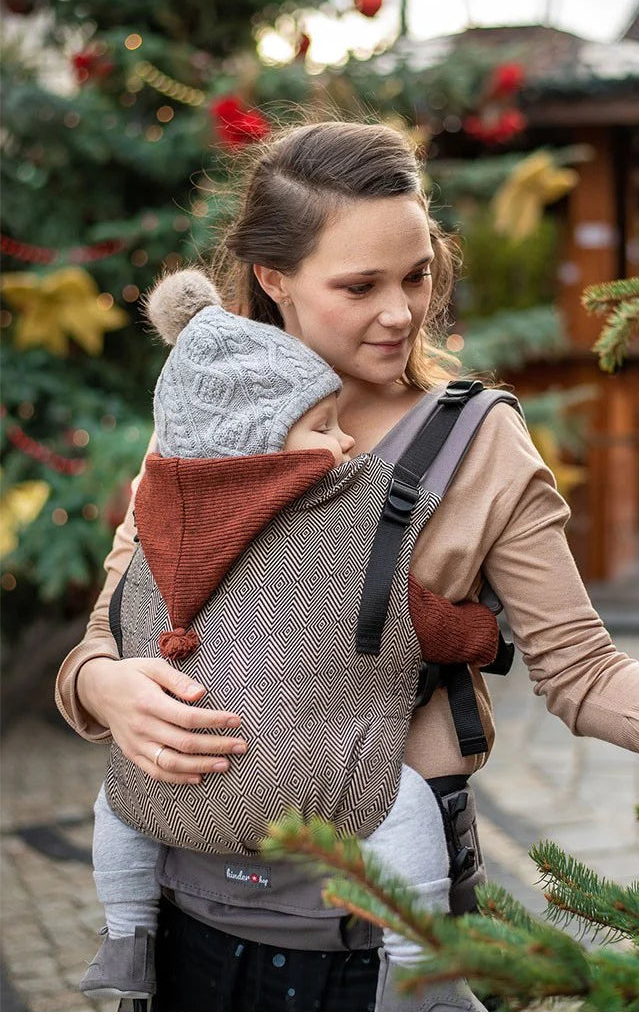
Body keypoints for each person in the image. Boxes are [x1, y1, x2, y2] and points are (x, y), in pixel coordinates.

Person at [57, 120, 639, 1012]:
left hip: (376, 929)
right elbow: (108, 630)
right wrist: (106, 689)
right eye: (360, 286)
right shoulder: (204, 416)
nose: (402, 312)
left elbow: (587, 676)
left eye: (416, 275)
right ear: (272, 278)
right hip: (185, 919)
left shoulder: (479, 443)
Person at [79, 267, 498, 1010]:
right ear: (265, 442)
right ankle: (420, 969)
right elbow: (416, 616)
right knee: (400, 809)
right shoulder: (341, 525)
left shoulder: (161, 514)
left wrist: (103, 677)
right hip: (325, 776)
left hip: (180, 773)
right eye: (323, 426)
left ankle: (126, 933)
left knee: (117, 807)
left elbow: (118, 617)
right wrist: (481, 632)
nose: (344, 442)